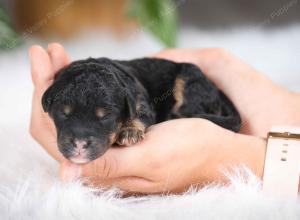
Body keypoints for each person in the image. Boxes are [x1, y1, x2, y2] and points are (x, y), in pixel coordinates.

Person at [29, 43, 300, 193]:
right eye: (65, 116)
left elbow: (142, 108)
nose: (78, 139)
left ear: (125, 107)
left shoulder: (129, 95)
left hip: (181, 78)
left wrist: (239, 154)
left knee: (188, 81)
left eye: (103, 117)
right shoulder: (62, 88)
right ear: (48, 103)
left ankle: (202, 118)